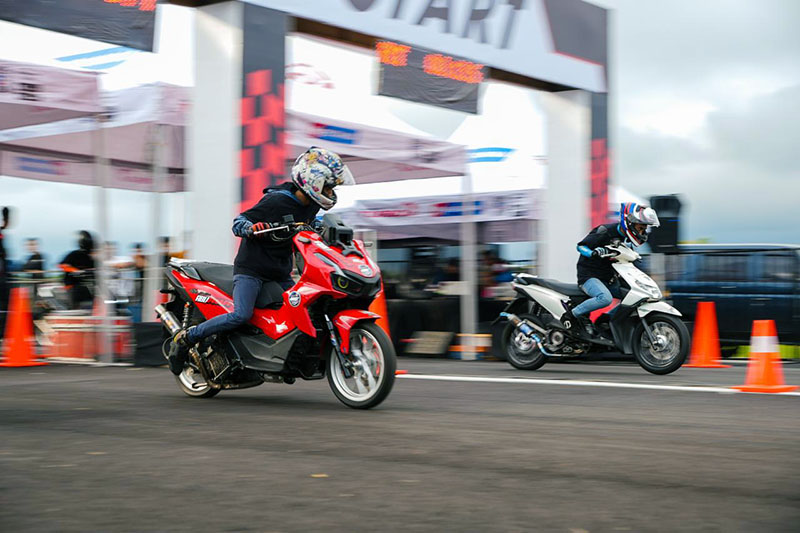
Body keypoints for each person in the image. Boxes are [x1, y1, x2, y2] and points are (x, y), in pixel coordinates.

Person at [167, 147, 355, 374]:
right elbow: (239, 222)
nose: (330, 191)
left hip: (280, 272)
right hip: (252, 271)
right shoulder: (275, 201)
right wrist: (251, 228)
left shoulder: (312, 205)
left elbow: (312, 227)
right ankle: (187, 338)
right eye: (328, 185)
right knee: (241, 315)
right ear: (312, 180)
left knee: (303, 309)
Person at [561, 202, 660, 338]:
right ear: (629, 222)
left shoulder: (626, 239)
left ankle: (606, 321)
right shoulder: (604, 231)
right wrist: (593, 253)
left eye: (644, 230)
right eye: (641, 228)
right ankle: (570, 315)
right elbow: (581, 246)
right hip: (590, 276)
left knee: (634, 297)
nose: (642, 233)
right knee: (605, 298)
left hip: (609, 278)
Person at [59, 230, 96, 310]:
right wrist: (75, 271)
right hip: (72, 285)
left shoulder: (90, 257)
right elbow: (62, 265)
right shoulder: (75, 254)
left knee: (95, 294)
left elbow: (94, 268)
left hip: (86, 285)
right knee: (75, 297)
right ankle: (73, 309)